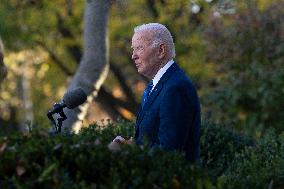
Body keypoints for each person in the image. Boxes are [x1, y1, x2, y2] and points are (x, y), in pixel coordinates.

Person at [111, 23, 201, 162]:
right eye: (133, 49)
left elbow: (170, 152)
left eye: (139, 48)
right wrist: (128, 144)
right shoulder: (153, 86)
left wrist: (131, 148)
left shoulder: (176, 87)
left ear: (161, 51)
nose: (133, 56)